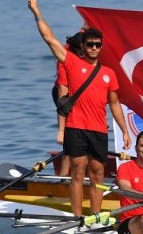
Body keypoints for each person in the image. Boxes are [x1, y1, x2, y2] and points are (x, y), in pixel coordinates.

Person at [28, 0, 132, 217]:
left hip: (98, 131)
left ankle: (95, 217)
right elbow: (50, 39)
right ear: (83, 47)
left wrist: (124, 131)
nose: (94, 48)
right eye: (90, 45)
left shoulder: (109, 74)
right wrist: (36, 12)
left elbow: (114, 104)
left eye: (97, 45)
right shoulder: (72, 63)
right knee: (77, 173)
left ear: (101, 48)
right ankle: (77, 219)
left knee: (97, 175)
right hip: (76, 128)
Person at [54, 29, 85, 176]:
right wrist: (62, 129)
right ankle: (63, 178)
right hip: (65, 96)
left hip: (81, 93)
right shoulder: (64, 63)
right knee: (70, 138)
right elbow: (62, 100)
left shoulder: (79, 44)